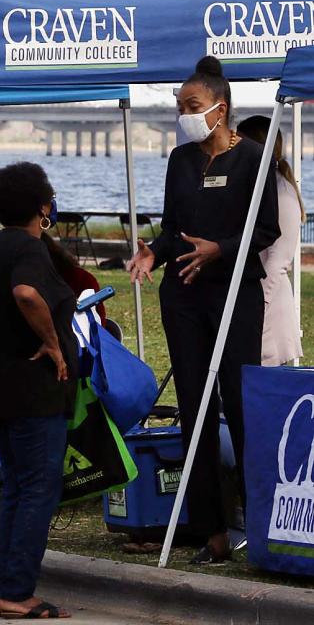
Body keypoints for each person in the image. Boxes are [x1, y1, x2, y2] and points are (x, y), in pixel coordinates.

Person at [127, 56, 279, 565]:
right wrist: (153, 251)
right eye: (179, 107)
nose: (184, 115)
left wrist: (220, 249)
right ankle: (209, 530)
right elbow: (173, 229)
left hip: (234, 293)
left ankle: (260, 525)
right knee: (195, 410)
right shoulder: (181, 159)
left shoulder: (253, 158)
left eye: (192, 106)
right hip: (184, 298)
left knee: (239, 406)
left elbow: (267, 231)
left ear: (221, 108)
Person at [0, 162, 77, 621]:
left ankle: (9, 585)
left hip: (1, 385)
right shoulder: (28, 250)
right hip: (34, 390)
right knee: (38, 488)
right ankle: (16, 593)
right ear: (44, 206)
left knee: (17, 487)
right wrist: (53, 343)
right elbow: (28, 294)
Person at [238, 115, 304, 366]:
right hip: (253, 298)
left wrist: (257, 305)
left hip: (268, 302)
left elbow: (279, 260)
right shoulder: (258, 186)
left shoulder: (282, 192)